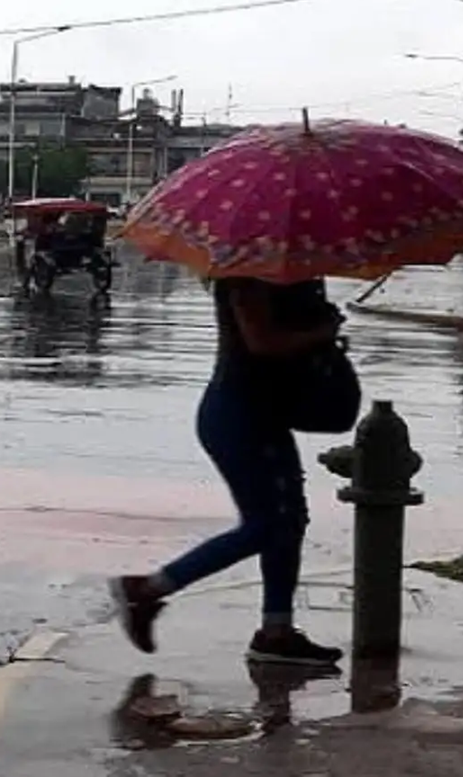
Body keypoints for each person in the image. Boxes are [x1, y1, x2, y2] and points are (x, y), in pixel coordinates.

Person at [110, 275, 345, 666]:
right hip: (240, 415)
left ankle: (277, 631)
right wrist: (322, 331)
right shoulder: (249, 272)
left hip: (264, 413)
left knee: (288, 522)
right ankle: (146, 589)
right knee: (265, 526)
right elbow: (262, 341)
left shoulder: (285, 267)